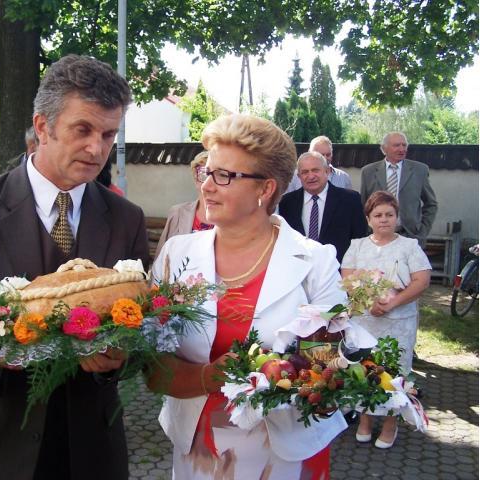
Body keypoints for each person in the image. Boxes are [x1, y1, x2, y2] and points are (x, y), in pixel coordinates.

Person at [0, 55, 150, 479]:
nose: (97, 149)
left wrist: (121, 356)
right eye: (83, 130)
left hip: (92, 450)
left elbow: (143, 330)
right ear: (42, 126)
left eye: (108, 134)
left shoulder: (126, 218)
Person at [149, 114, 347, 479]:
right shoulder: (177, 255)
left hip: (286, 454)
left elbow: (327, 371)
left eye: (223, 175)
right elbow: (151, 364)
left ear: (265, 189)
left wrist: (269, 377)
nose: (207, 186)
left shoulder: (315, 262)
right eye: (206, 172)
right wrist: (206, 377)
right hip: (199, 450)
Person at [341, 190, 431, 449]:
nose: (383, 219)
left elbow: (421, 280)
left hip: (398, 322)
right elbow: (347, 277)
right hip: (365, 321)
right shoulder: (357, 245)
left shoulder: (409, 246)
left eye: (389, 215)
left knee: (394, 372)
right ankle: (365, 419)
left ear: (397, 218)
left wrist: (392, 303)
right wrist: (369, 302)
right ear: (368, 219)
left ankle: (391, 423)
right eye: (378, 215)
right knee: (364, 369)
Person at [279, 151, 367, 263]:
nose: (311, 176)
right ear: (299, 176)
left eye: (315, 170)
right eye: (305, 172)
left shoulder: (350, 200)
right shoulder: (286, 203)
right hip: (299, 268)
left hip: (338, 268)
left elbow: (359, 240)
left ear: (327, 171)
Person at [360, 132, 438, 245]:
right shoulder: (368, 172)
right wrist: (368, 230)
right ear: (384, 149)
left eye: (404, 145)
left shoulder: (419, 170)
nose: (402, 149)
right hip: (377, 236)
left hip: (410, 236)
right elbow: (363, 205)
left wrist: (422, 231)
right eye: (396, 145)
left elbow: (431, 204)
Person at [155, 150, 213, 255]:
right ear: (195, 179)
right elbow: (161, 257)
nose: (208, 183)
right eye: (203, 175)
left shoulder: (232, 217)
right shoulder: (178, 213)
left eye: (215, 176)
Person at [285, 135, 352, 193]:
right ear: (309, 153)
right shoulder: (294, 177)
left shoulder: (343, 177)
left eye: (328, 154)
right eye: (321, 155)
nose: (325, 158)